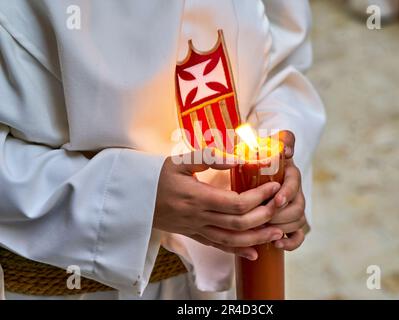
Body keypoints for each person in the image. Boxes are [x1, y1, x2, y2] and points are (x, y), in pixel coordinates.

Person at [0, 0, 325, 299]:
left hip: (210, 279)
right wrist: (133, 199)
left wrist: (277, 162)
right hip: (69, 278)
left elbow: (282, 59)